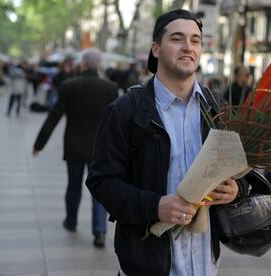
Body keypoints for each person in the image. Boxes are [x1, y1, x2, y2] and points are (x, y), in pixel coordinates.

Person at [86, 9, 249, 275]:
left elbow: (241, 171)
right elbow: (101, 181)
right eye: (177, 39)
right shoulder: (125, 111)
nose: (188, 47)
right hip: (147, 264)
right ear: (156, 49)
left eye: (195, 40)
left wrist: (236, 189)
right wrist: (155, 206)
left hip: (206, 264)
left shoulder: (218, 108)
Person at [33, 48, 118, 247]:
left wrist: (39, 144)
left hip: (74, 145)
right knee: (99, 190)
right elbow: (116, 122)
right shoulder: (110, 88)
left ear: (83, 64)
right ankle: (100, 232)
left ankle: (71, 221)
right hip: (100, 149)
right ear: (99, 65)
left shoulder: (68, 86)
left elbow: (54, 117)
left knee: (74, 185)